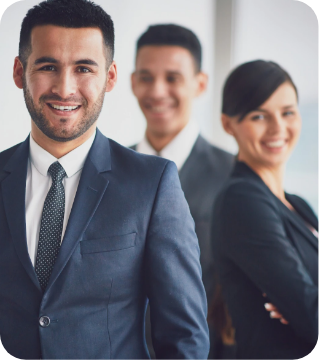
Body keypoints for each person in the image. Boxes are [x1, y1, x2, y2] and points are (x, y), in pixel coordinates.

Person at [0, 1, 210, 359]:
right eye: (48, 66)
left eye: (84, 68)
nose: (65, 88)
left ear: (110, 77)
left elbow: (185, 337)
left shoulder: (152, 185)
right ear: (20, 72)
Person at [130, 24, 234, 359]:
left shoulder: (234, 177)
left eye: (173, 78)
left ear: (200, 84)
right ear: (132, 82)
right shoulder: (107, 172)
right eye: (146, 77)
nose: (157, 91)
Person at [211, 59, 319, 360]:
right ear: (228, 124)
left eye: (287, 113)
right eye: (259, 116)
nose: (278, 128)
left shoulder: (299, 205)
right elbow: (312, 318)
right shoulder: (241, 200)